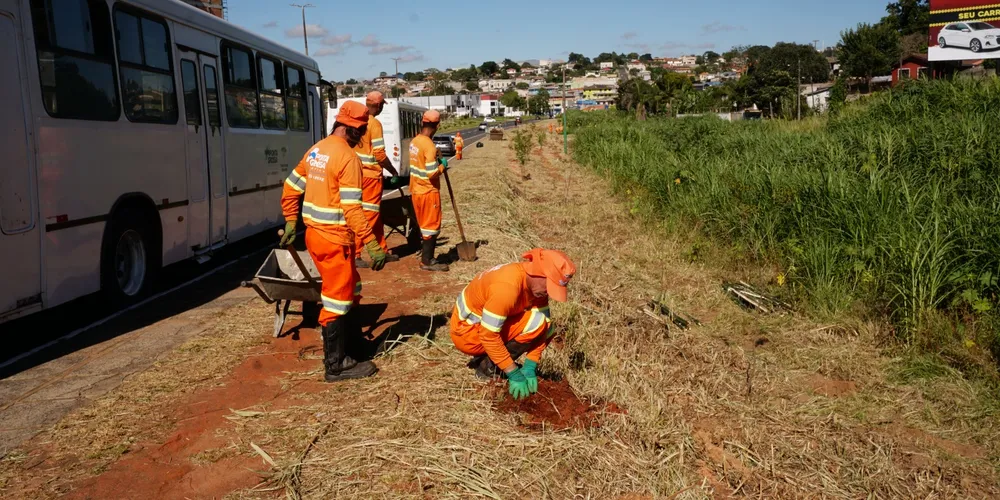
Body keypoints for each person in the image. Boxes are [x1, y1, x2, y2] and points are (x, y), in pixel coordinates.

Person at [279, 101, 387, 382]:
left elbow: (291, 186)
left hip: (315, 235)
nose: (362, 135)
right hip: (335, 239)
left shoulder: (317, 149)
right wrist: (372, 243)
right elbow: (352, 209)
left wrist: (291, 219)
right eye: (362, 130)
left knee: (352, 288)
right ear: (357, 129)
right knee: (337, 300)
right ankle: (336, 365)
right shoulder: (349, 159)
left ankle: (354, 346)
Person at [450, 249, 576, 400]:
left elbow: (545, 327)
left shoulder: (536, 287)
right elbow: (489, 335)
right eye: (549, 287)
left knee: (546, 324)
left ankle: (492, 360)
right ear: (538, 273)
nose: (548, 293)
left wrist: (531, 364)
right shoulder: (507, 288)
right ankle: (487, 368)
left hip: (483, 329)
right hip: (467, 334)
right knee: (535, 322)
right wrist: (514, 373)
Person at [353, 91, 401, 269]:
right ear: (378, 106)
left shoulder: (356, 119)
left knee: (374, 215)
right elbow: (379, 154)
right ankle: (356, 253)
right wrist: (393, 171)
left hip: (356, 174)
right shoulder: (374, 123)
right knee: (369, 216)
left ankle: (383, 250)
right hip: (371, 177)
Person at [409, 110, 450, 272]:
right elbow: (432, 173)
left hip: (416, 190)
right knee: (431, 227)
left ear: (422, 123)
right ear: (437, 125)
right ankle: (428, 261)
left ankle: (426, 258)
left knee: (424, 225)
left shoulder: (415, 141)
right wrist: (443, 166)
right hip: (428, 191)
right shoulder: (429, 146)